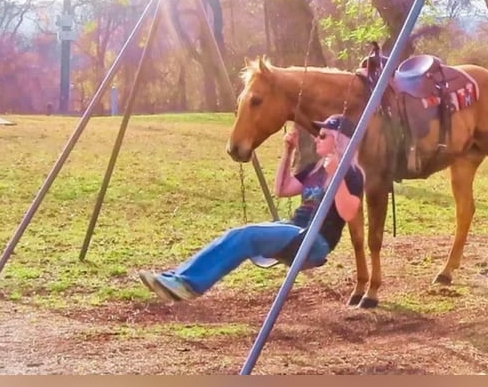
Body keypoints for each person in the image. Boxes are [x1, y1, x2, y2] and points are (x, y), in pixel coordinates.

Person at [138, 114, 365, 302]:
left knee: (245, 236)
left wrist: (337, 174)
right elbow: (283, 188)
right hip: (295, 230)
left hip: (315, 241)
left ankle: (187, 285)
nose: (317, 139)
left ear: (339, 140)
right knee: (237, 234)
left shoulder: (352, 174)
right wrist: (287, 151)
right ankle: (179, 278)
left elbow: (348, 212)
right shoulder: (314, 169)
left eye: (323, 135)